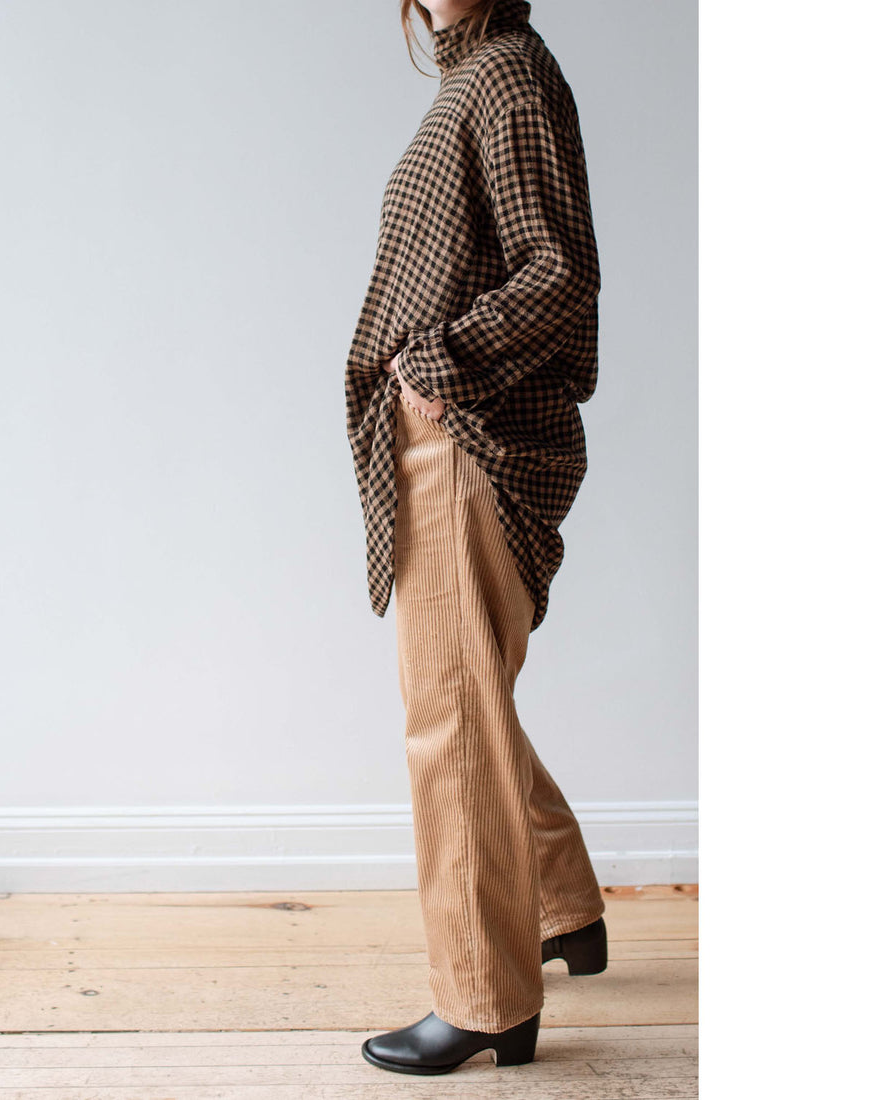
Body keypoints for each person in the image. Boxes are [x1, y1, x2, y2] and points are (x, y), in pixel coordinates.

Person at [344, 0, 609, 1076]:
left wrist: (435, 368)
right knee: (470, 701)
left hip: (467, 438)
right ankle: (563, 908)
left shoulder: (504, 75)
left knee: (448, 721)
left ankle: (484, 997)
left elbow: (560, 271)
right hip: (449, 434)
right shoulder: (480, 74)